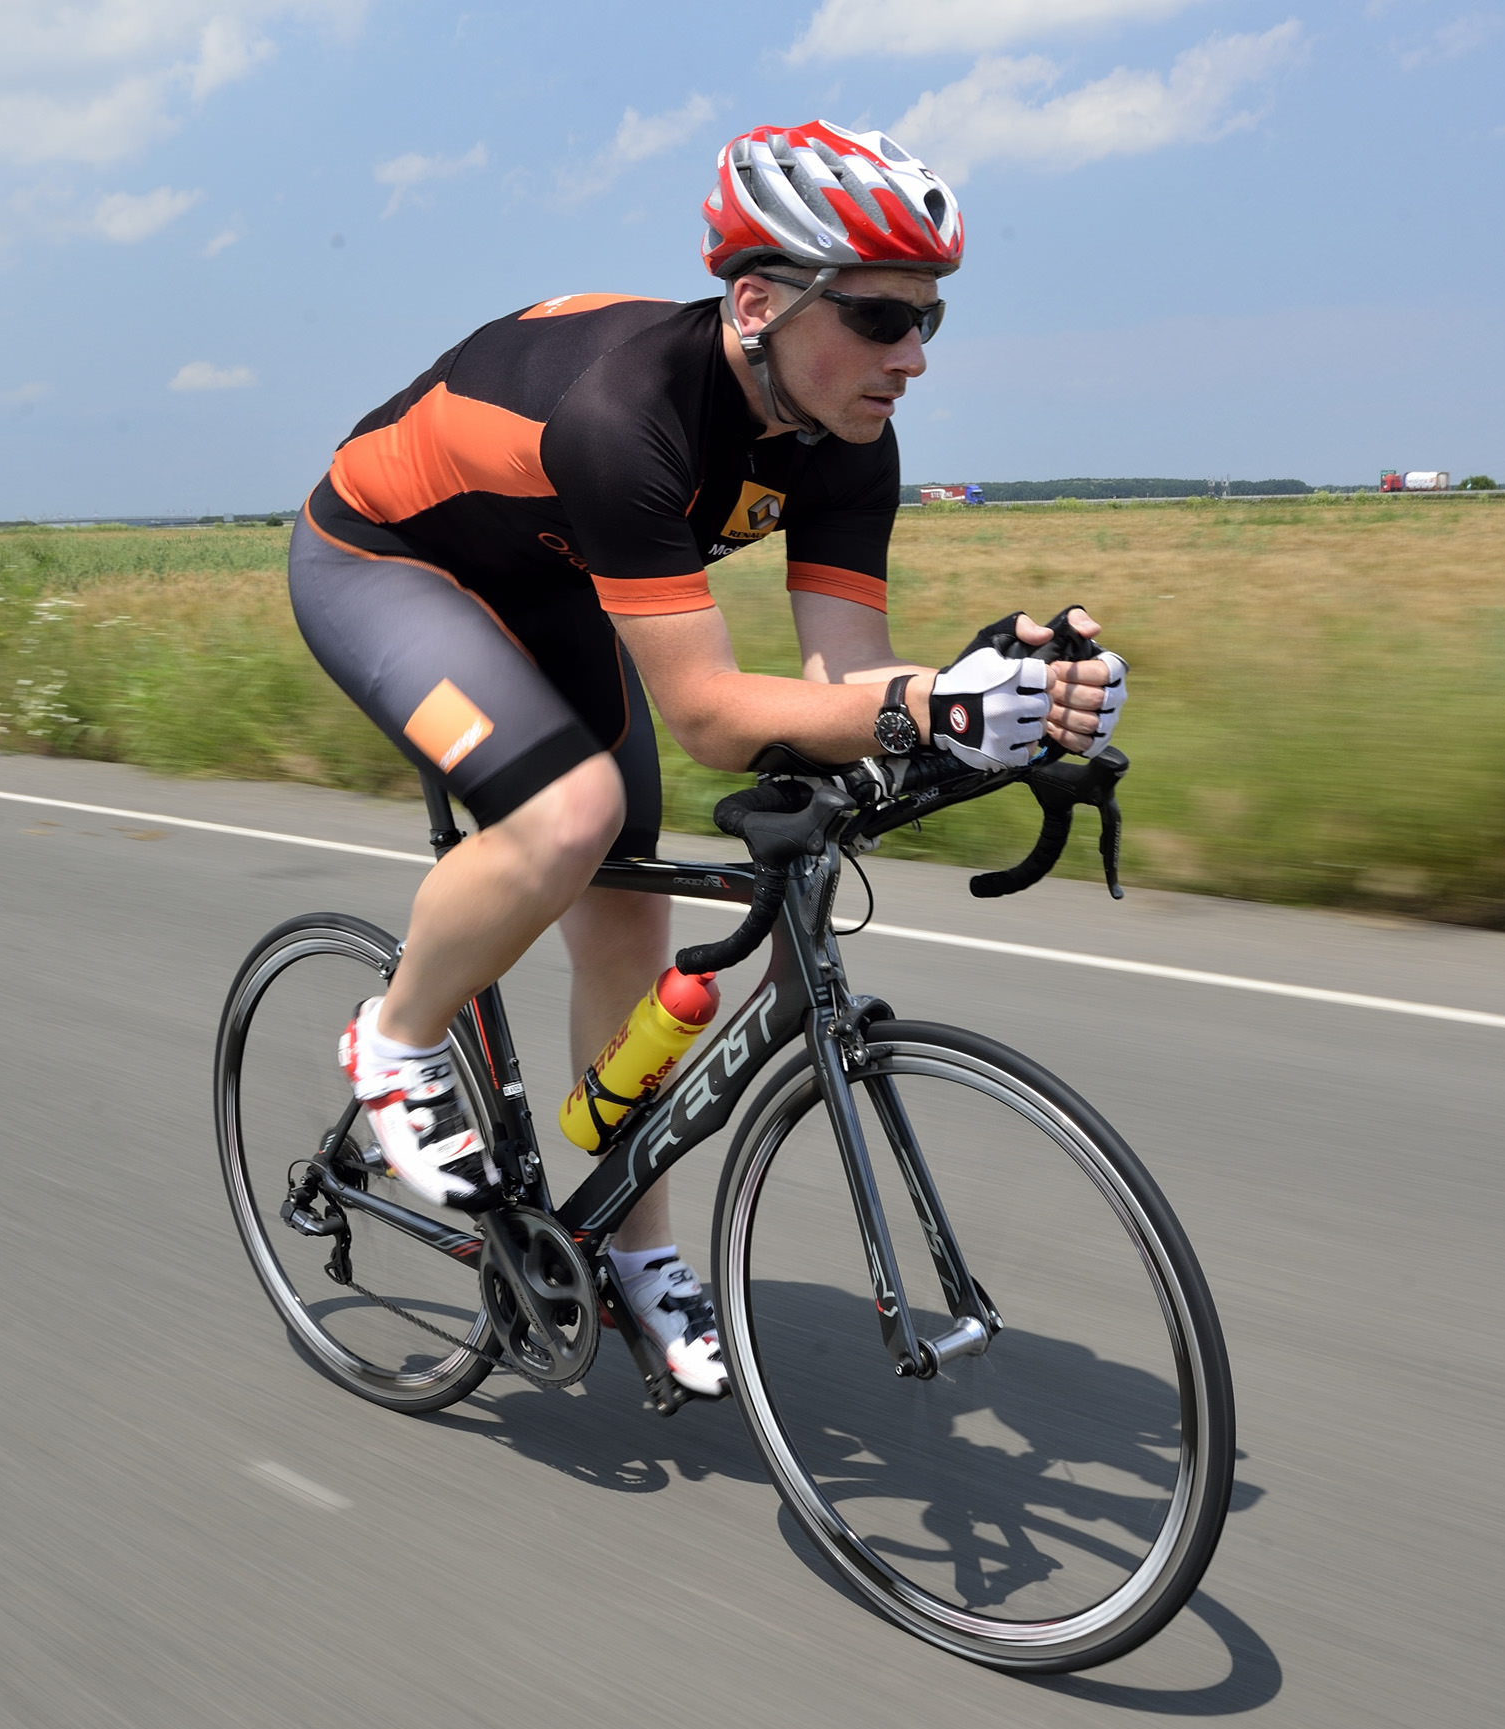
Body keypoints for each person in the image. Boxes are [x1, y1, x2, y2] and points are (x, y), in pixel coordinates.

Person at [288, 120, 1126, 1397]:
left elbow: (837, 688)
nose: (911, 358)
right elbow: (715, 717)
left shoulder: (849, 434)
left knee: (625, 901)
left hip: (553, 584)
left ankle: (638, 1256)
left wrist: (997, 709)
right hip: (389, 564)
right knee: (566, 822)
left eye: (930, 322)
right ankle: (396, 1038)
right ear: (756, 302)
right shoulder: (627, 416)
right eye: (881, 317)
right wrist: (939, 706)